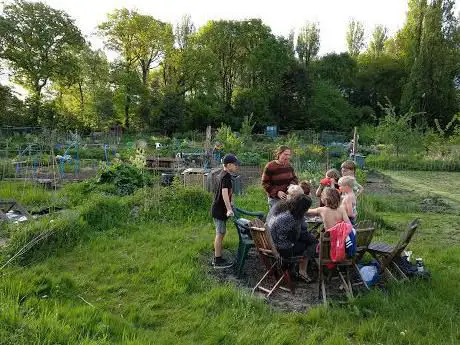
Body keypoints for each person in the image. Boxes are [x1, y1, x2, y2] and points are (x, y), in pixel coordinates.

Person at [267, 194, 316, 282]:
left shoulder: (282, 209)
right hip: (282, 249)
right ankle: (302, 271)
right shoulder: (292, 218)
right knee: (312, 243)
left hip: (272, 244)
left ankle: (295, 269)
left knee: (308, 241)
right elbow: (297, 236)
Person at [211, 154, 240, 268]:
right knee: (220, 234)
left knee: (221, 233)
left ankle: (217, 255)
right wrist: (228, 209)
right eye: (235, 165)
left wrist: (231, 203)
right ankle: (217, 260)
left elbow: (227, 193)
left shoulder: (222, 175)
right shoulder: (226, 176)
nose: (236, 166)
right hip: (219, 210)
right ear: (228, 165)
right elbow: (224, 193)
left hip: (218, 209)